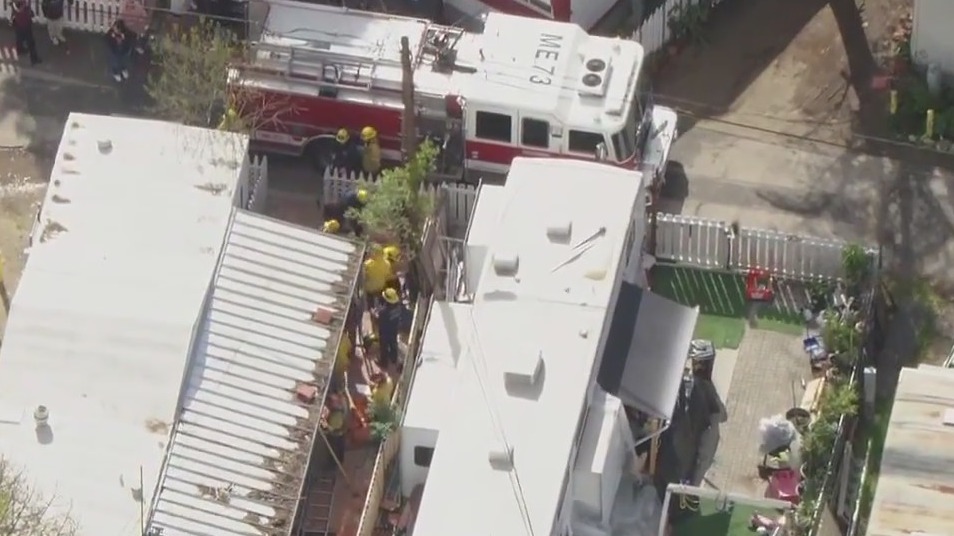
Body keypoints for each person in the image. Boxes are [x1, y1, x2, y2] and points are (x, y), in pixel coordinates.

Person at [376, 288, 404, 370]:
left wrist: (374, 314)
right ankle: (393, 358)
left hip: (384, 331)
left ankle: (383, 362)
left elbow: (379, 320)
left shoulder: (384, 311)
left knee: (383, 346)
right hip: (394, 329)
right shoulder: (398, 308)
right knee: (393, 344)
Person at [11, 0, 40, 65]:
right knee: (31, 42)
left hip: (18, 23)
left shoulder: (14, 4)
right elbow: (30, 14)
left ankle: (20, 50)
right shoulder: (25, 6)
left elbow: (14, 11)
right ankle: (34, 59)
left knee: (19, 38)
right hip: (26, 24)